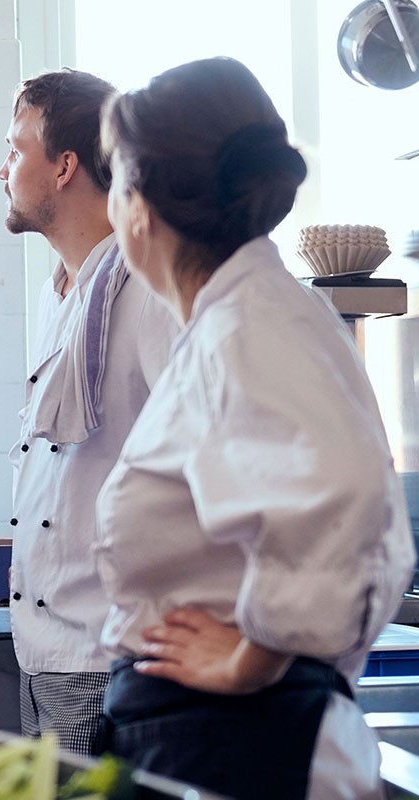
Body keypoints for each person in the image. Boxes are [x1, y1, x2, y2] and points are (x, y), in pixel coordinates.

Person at [94, 56, 415, 798]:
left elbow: (343, 494)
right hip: (212, 737)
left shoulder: (248, 324)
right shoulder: (238, 319)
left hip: (243, 738)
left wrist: (256, 659)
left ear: (137, 208)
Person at [0, 68, 178, 753]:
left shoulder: (154, 289)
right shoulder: (61, 294)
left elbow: (209, 457)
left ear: (65, 165)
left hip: (114, 653)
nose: (3, 169)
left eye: (16, 150)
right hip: (45, 648)